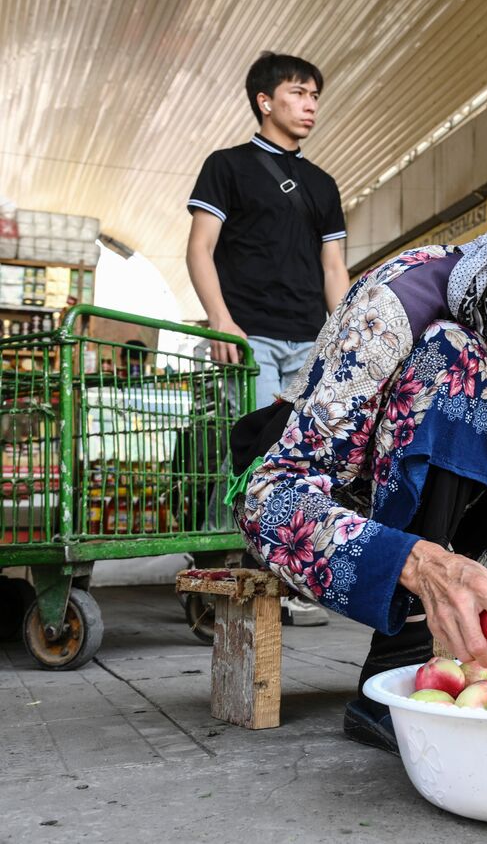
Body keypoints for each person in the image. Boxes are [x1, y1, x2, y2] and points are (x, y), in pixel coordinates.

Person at [231, 126, 487, 751]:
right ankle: (401, 655)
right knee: (451, 355)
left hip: (475, 509)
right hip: (348, 498)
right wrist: (420, 565)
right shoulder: (398, 302)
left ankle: (479, 653)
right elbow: (268, 500)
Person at [187, 52, 351, 628]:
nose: (310, 105)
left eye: (314, 96)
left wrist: (342, 337)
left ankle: (282, 575)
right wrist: (219, 320)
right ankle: (215, 574)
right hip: (248, 336)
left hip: (309, 343)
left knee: (302, 460)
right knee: (245, 456)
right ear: (265, 100)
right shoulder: (226, 167)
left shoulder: (322, 184)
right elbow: (200, 249)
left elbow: (335, 269)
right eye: (299, 93)